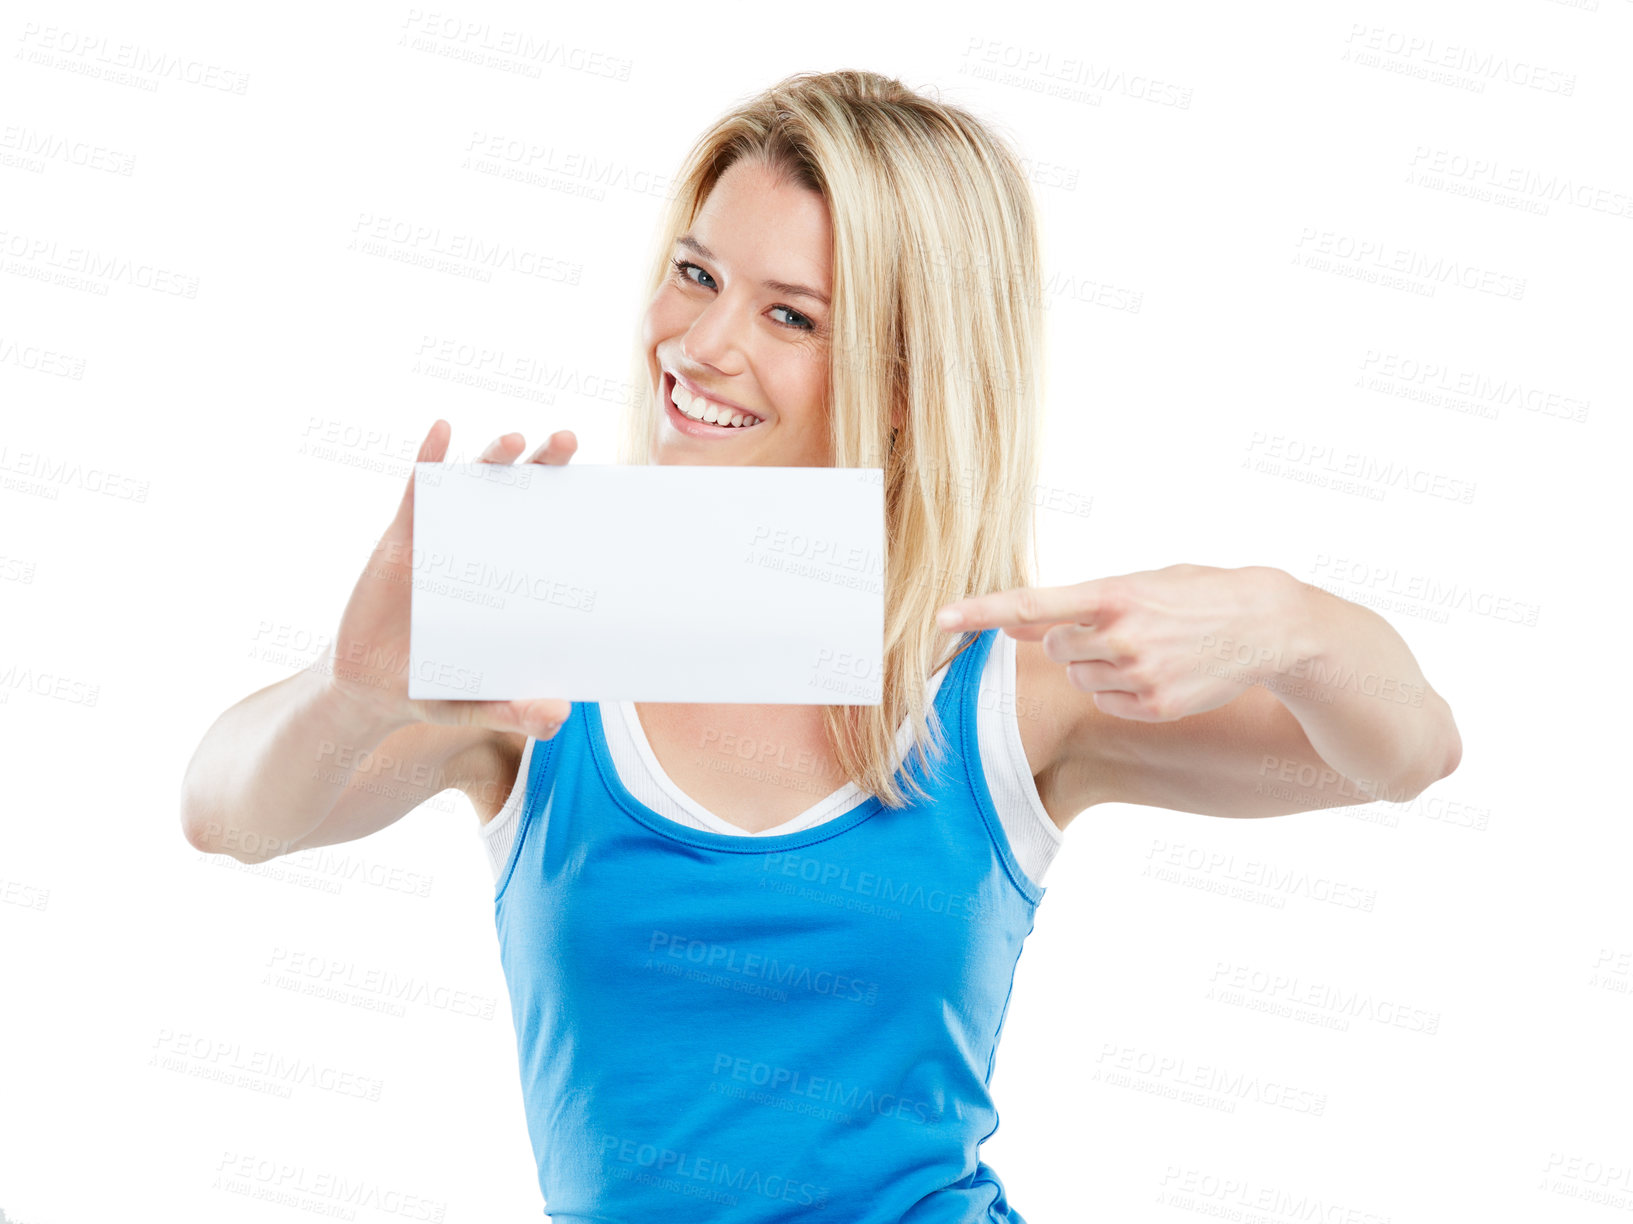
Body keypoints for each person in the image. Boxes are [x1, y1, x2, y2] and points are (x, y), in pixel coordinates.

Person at [181, 69, 1461, 1222]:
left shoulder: (1005, 683)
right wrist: (350, 696)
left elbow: (1401, 755)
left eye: (790, 316)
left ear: (911, 379)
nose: (700, 346)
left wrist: (1288, 621)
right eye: (696, 274)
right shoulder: (550, 634)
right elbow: (229, 814)